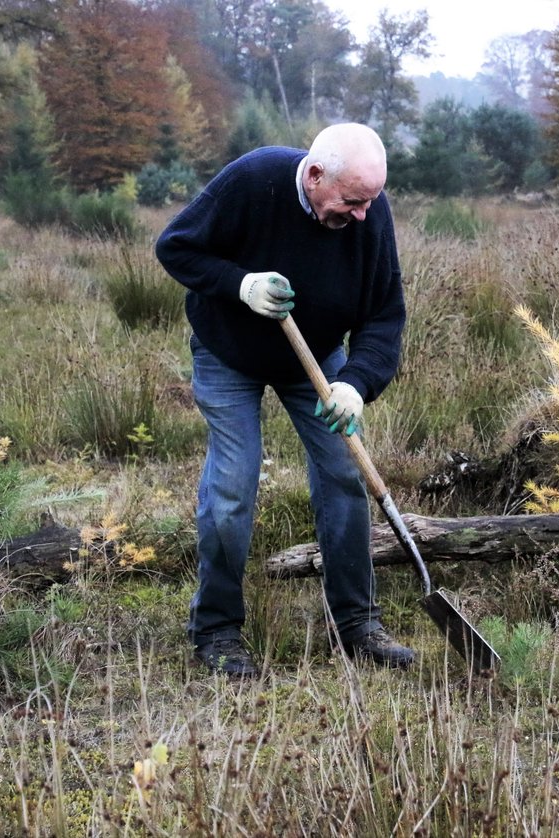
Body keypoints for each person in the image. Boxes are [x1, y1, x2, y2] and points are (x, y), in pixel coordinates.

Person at [155, 123, 414, 679]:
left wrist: (355, 383)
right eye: (351, 201)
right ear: (316, 175)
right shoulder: (253, 180)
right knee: (233, 484)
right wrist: (240, 284)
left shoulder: (369, 212)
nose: (363, 215)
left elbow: (385, 314)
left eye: (371, 201)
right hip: (228, 352)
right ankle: (217, 630)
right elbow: (175, 247)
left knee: (345, 472)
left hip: (316, 359)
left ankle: (357, 624)